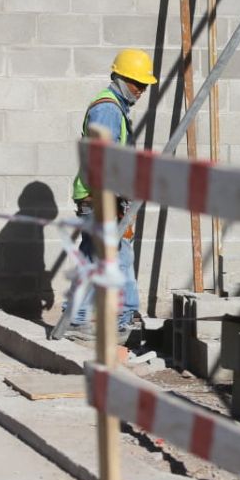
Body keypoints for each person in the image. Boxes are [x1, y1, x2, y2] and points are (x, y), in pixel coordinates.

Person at [68, 48, 157, 341]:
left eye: (144, 85)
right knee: (113, 259)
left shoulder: (114, 108)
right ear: (119, 77)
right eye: (137, 83)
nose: (141, 90)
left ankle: (83, 318)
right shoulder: (107, 109)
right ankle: (119, 321)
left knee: (98, 259)